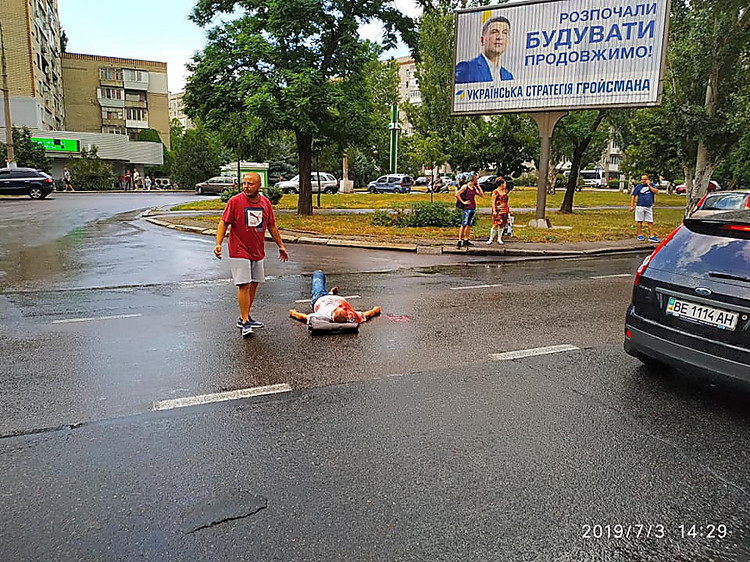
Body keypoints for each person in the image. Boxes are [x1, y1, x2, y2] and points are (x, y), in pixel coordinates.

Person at [214, 172, 289, 337]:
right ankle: (245, 321)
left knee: (254, 283)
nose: (246, 187)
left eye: (250, 184)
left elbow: (272, 226)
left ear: (259, 185)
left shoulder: (265, 203)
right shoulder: (235, 202)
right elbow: (223, 222)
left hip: (257, 250)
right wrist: (218, 243)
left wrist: (281, 246)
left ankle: (244, 316)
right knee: (244, 284)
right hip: (239, 249)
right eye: (244, 183)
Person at [289, 270, 380, 325]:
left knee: (318, 281)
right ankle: (331, 293)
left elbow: (305, 318)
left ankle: (318, 273)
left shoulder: (323, 315)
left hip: (320, 298)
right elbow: (366, 315)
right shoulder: (351, 316)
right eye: (344, 310)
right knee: (329, 295)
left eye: (340, 308)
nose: (343, 307)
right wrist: (375, 310)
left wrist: (293, 313)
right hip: (334, 299)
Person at [455, 16, 513, 84]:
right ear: (482, 40)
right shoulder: (466, 68)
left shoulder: (508, 76)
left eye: (505, 33)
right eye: (494, 32)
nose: (499, 37)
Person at [455, 174, 484, 248]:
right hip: (466, 208)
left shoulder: (474, 188)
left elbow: (482, 195)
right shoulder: (465, 187)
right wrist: (463, 202)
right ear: (473, 180)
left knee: (469, 224)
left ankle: (466, 239)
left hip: (472, 207)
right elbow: (457, 194)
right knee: (463, 224)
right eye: (476, 180)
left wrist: (478, 186)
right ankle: (459, 240)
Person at [630, 173, 659, 242]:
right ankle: (639, 235)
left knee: (650, 221)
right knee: (639, 221)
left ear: (647, 179)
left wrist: (649, 185)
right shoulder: (638, 186)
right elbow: (633, 195)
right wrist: (632, 205)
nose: (643, 181)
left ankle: (651, 236)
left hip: (648, 206)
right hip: (640, 206)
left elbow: (656, 191)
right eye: (642, 179)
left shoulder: (651, 185)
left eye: (645, 179)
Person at [487, 176, 510, 245]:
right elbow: (493, 202)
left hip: (504, 209)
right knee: (495, 224)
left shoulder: (505, 191)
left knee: (502, 224)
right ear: (501, 184)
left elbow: (506, 201)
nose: (505, 184)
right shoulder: (495, 192)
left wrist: (508, 209)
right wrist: (494, 210)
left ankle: (499, 238)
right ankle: (491, 238)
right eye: (504, 183)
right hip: (498, 210)